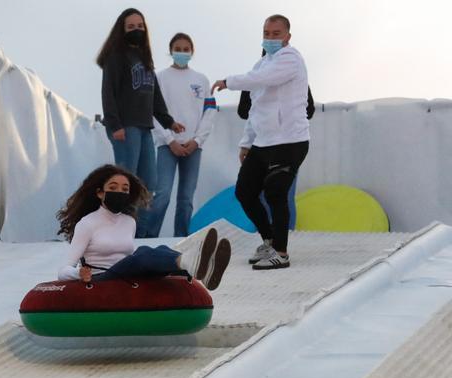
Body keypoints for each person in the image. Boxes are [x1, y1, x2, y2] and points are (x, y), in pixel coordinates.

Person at [211, 14, 309, 270]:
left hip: (290, 141)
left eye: (276, 33)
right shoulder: (261, 64)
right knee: (244, 191)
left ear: (287, 36)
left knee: (276, 191)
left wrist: (228, 82)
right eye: (267, 33)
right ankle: (268, 239)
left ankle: (281, 251)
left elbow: (262, 80)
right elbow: (256, 108)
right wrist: (246, 142)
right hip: (264, 143)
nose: (271, 38)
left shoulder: (290, 59)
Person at [56, 164, 231, 290]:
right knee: (142, 254)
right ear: (100, 193)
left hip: (127, 276)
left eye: (125, 189)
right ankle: (192, 260)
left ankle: (202, 268)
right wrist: (78, 274)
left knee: (158, 249)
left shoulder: (129, 222)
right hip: (102, 277)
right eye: (113, 187)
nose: (120, 192)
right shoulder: (87, 223)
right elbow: (63, 270)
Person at [97, 8, 185, 238]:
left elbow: (155, 98)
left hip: (145, 128)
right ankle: (118, 234)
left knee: (147, 186)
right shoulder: (116, 56)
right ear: (122, 30)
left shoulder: (145, 60)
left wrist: (169, 122)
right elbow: (108, 92)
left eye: (140, 26)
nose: (136, 30)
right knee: (124, 184)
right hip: (125, 127)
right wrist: (115, 125)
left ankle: (140, 235)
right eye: (131, 27)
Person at [147, 32, 218, 237]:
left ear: (192, 52)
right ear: (171, 51)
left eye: (186, 49)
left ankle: (181, 239)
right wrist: (169, 140)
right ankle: (148, 239)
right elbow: (152, 112)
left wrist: (196, 141)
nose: (182, 52)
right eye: (178, 49)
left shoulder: (201, 80)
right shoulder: (159, 77)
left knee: (186, 199)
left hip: (193, 147)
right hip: (167, 146)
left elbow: (210, 112)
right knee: (162, 195)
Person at [238, 63, 315, 229]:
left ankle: (285, 239)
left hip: (288, 145)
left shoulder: (293, 74)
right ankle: (269, 239)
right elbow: (243, 110)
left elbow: (310, 108)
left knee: (283, 194)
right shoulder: (255, 76)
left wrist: (287, 115)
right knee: (259, 195)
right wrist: (263, 110)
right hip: (261, 146)